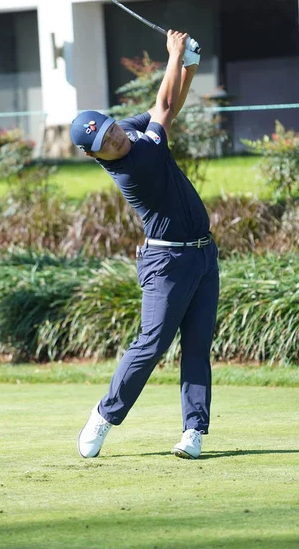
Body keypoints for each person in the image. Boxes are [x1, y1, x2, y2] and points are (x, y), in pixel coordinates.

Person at [69, 30, 219, 460]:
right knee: (152, 344)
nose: (116, 139)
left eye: (112, 130)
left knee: (197, 345)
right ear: (94, 155)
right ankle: (104, 415)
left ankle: (194, 431)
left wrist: (186, 66)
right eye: (106, 144)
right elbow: (167, 108)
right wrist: (173, 54)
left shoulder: (131, 133)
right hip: (166, 260)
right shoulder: (134, 166)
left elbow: (161, 107)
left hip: (203, 254)